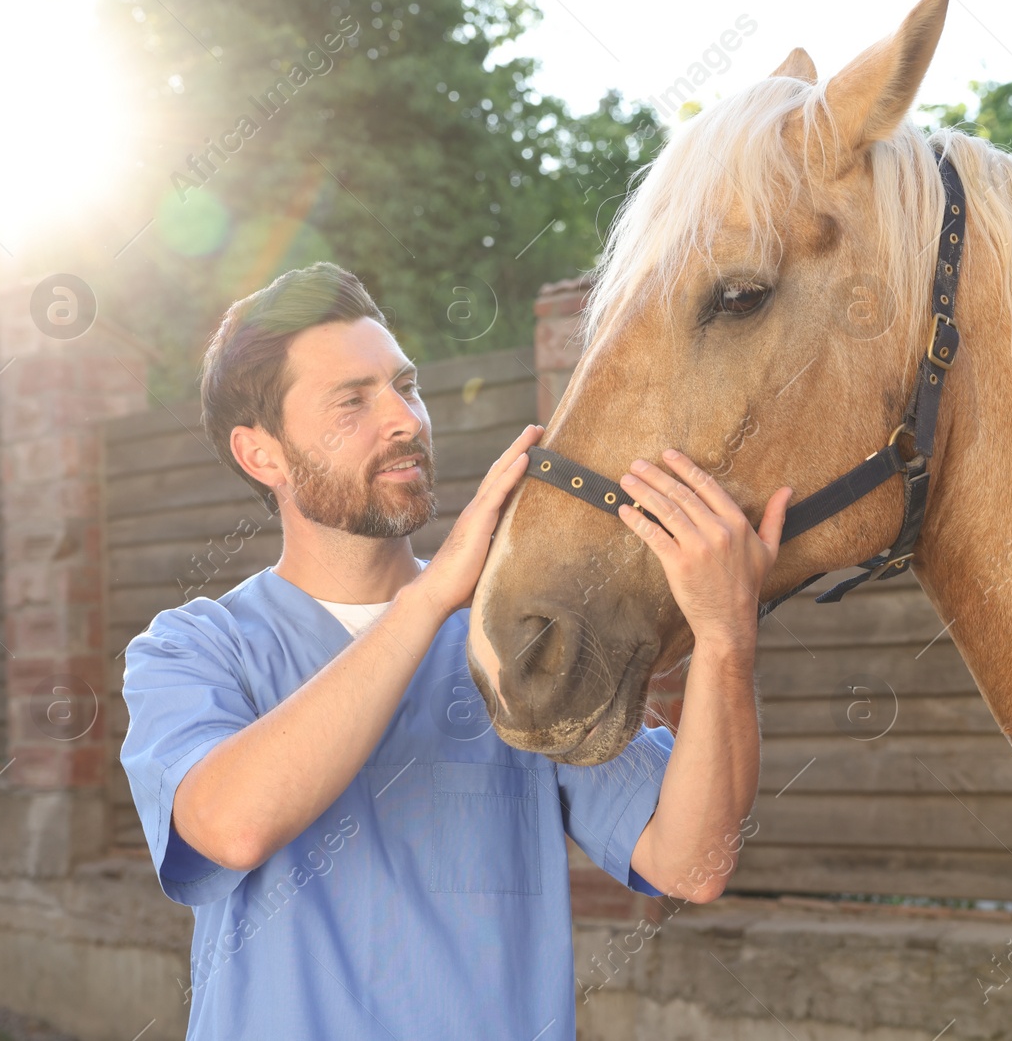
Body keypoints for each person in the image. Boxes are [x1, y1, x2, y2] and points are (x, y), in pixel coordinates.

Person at [119, 262, 790, 1040]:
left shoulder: (509, 636)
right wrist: (431, 600)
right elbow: (230, 825)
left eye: (405, 386)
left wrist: (724, 638)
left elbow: (693, 863)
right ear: (261, 453)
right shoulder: (193, 649)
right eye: (353, 401)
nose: (403, 419)